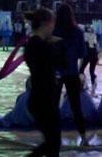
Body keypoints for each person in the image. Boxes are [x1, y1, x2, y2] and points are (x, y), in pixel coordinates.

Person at [25, 8, 63, 157]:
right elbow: (56, 62)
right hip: (44, 100)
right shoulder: (40, 46)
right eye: (52, 24)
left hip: (40, 98)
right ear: (46, 24)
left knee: (52, 142)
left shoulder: (33, 44)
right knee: (53, 143)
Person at [53, 4, 88, 146]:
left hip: (56, 72)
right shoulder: (77, 31)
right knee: (76, 106)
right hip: (72, 72)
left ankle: (54, 137)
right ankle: (84, 138)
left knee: (54, 105)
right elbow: (82, 53)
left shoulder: (54, 31)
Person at [79, 24, 99, 96]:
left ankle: (84, 84)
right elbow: (96, 46)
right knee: (92, 71)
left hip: (88, 54)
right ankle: (93, 91)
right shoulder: (94, 35)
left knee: (81, 70)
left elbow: (83, 46)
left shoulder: (84, 35)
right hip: (94, 54)